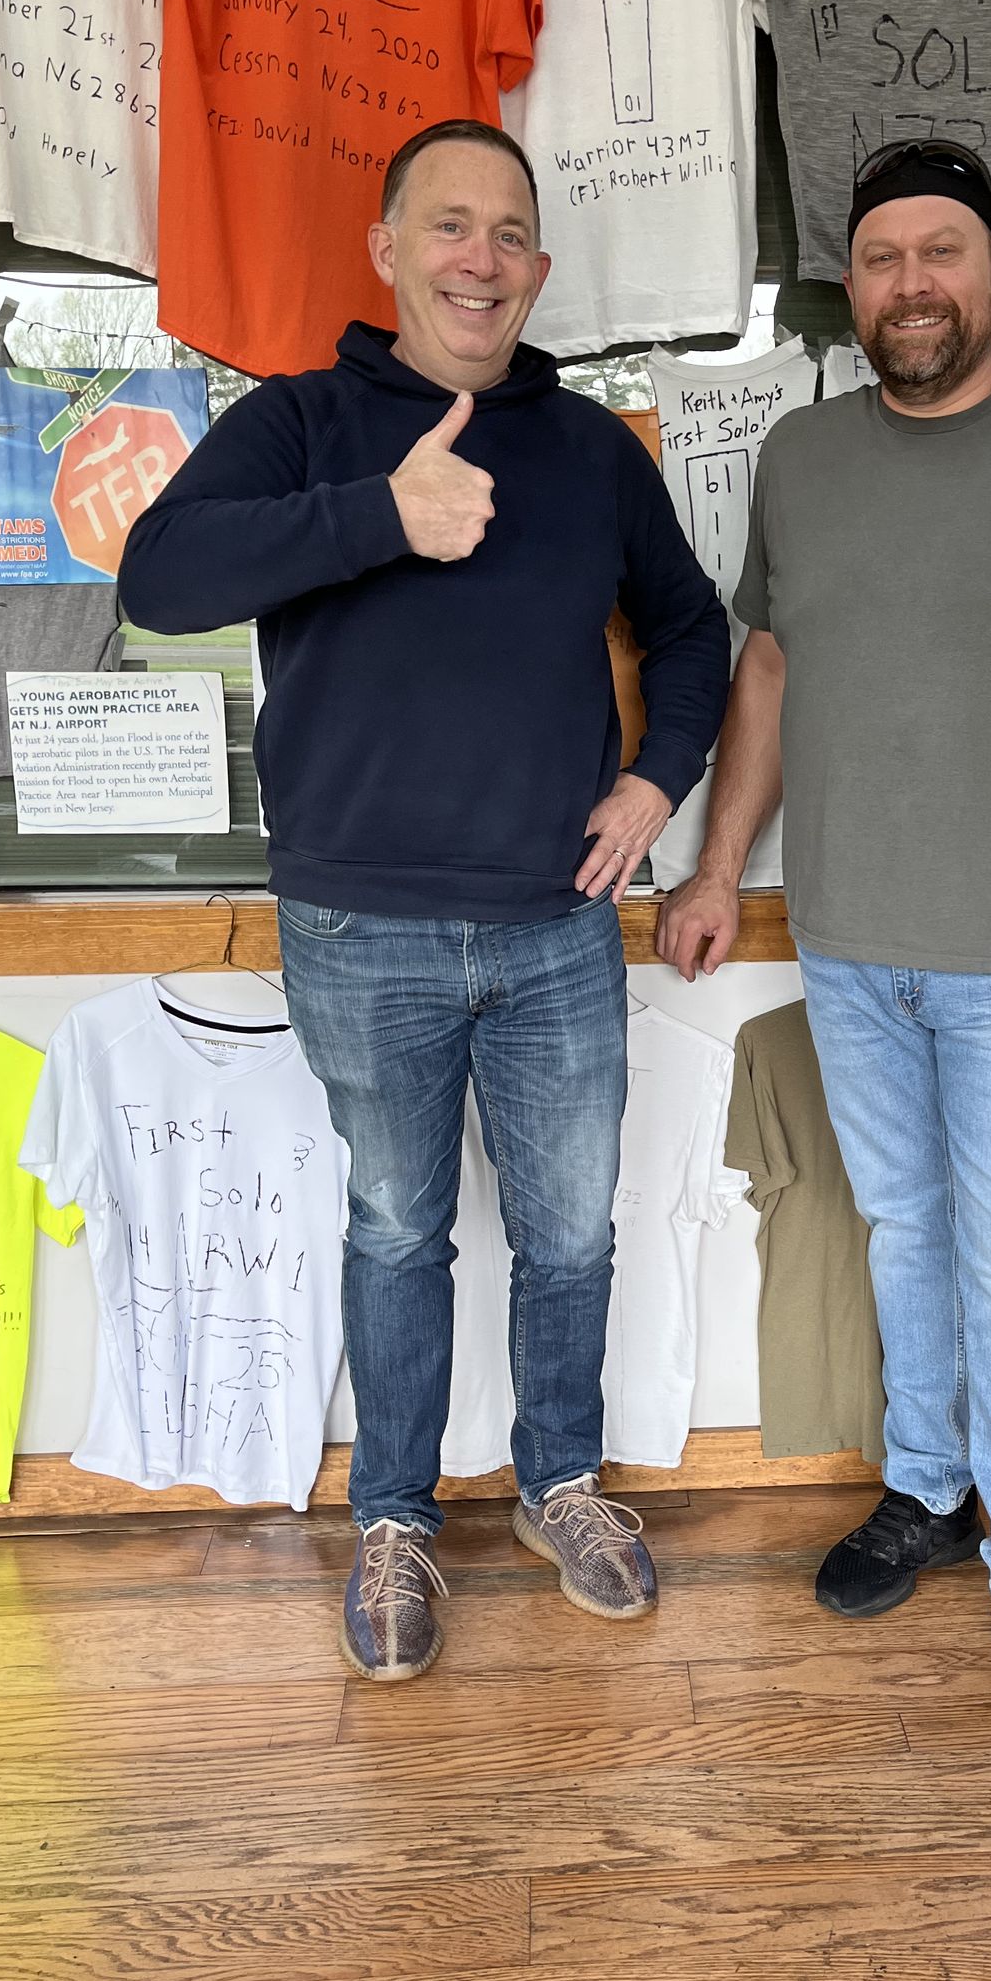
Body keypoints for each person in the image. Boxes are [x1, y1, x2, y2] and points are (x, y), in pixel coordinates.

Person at [120, 118, 731, 1684]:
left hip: (553, 923)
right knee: (397, 1231)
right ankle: (393, 1516)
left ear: (536, 267)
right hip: (358, 926)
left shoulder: (593, 451)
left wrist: (655, 782)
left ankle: (561, 1486)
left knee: (571, 1237)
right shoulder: (305, 424)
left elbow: (691, 634)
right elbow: (161, 580)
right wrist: (381, 515)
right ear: (388, 248)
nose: (481, 257)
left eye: (509, 233)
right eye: (449, 225)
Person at [657, 140, 991, 1762]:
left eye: (944, 252)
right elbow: (766, 678)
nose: (912, 281)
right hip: (847, 950)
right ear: (859, 285)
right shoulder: (804, 462)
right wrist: (715, 868)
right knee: (901, 1231)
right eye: (884, 255)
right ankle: (929, 1493)